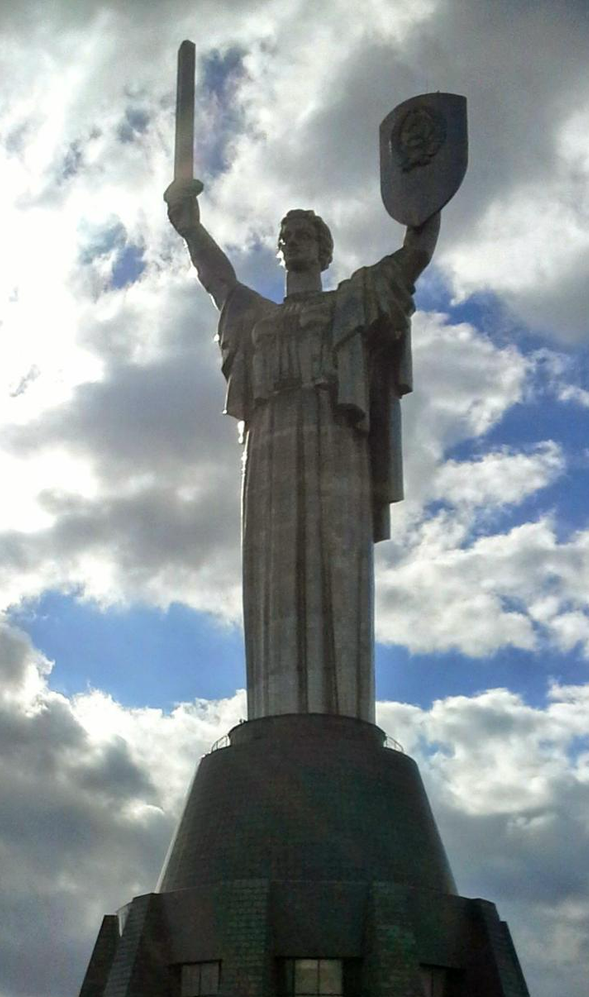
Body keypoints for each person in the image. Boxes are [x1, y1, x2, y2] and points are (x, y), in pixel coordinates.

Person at [165, 179, 440, 723]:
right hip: (269, 446)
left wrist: (426, 194)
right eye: (286, 236)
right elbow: (218, 281)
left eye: (304, 234)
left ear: (324, 247)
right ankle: (276, 713)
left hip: (335, 435)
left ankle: (340, 714)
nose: (294, 242)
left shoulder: (353, 300)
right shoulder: (256, 318)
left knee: (335, 562)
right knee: (275, 574)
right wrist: (191, 227)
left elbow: (413, 257)